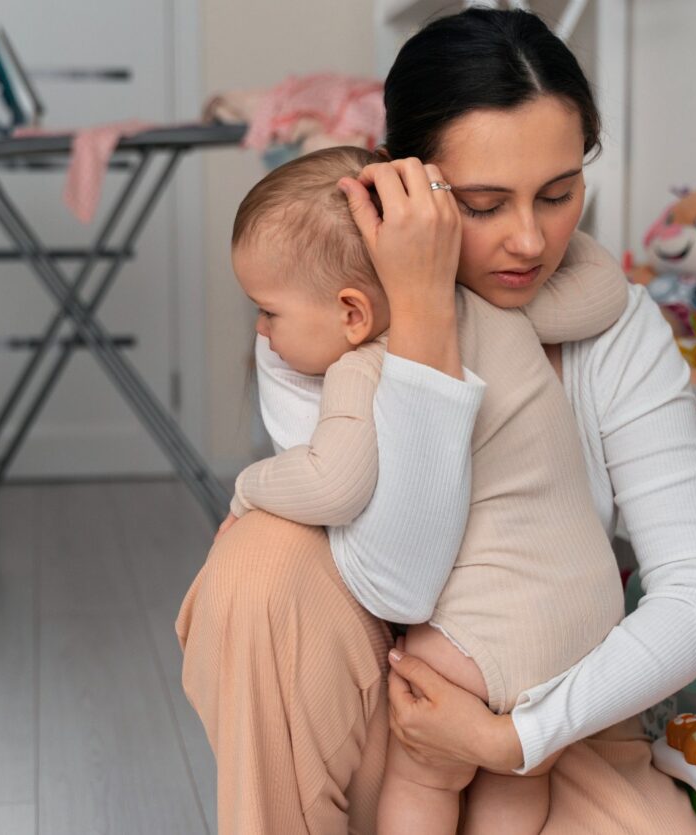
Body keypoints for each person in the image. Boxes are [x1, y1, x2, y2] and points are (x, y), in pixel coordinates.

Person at [177, 8, 696, 834]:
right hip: (386, 699)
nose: (529, 239)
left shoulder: (610, 325)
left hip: (552, 706)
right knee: (259, 560)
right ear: (400, 183)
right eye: (484, 203)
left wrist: (516, 734)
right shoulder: (326, 322)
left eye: (559, 194)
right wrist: (420, 324)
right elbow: (397, 581)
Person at [221, 144, 628, 833]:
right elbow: (605, 290)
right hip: (591, 610)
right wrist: (460, 239)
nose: (261, 331)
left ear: (352, 313)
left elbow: (334, 482)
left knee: (423, 770)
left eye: (268, 312)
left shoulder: (362, 367)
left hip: (484, 634)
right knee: (515, 775)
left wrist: (247, 487)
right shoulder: (497, 304)